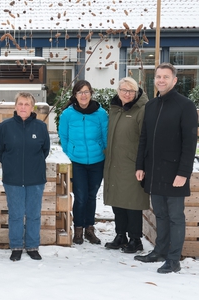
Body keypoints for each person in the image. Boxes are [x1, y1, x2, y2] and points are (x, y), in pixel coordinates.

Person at [134, 63, 197, 274]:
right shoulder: (151, 106)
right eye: (158, 76)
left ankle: (173, 260)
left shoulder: (185, 106)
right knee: (160, 214)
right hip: (153, 171)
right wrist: (140, 165)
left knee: (175, 217)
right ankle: (159, 251)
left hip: (174, 173)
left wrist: (183, 173)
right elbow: (144, 139)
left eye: (166, 77)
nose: (161, 80)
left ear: (174, 80)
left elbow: (190, 143)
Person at [0, 92, 50, 261]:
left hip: (35, 179)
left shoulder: (40, 127)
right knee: (16, 214)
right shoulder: (5, 126)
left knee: (33, 214)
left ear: (32, 107)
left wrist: (33, 165)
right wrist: (10, 164)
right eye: (20, 104)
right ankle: (16, 246)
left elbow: (45, 150)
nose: (23, 107)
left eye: (27, 104)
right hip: (13, 179)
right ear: (15, 106)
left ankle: (32, 246)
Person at [58, 80, 108, 245]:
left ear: (91, 93)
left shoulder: (101, 114)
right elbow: (63, 137)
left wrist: (104, 150)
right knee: (80, 196)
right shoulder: (67, 114)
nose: (84, 95)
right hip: (77, 161)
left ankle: (89, 229)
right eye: (80, 92)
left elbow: (105, 136)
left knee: (91, 196)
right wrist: (69, 153)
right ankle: (78, 229)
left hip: (97, 161)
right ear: (75, 95)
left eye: (86, 92)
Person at [103, 77, 149, 253]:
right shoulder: (115, 109)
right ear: (118, 91)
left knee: (133, 203)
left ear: (136, 93)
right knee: (118, 202)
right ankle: (120, 235)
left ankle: (135, 239)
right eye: (123, 90)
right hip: (115, 162)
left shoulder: (142, 110)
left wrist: (142, 164)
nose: (127, 94)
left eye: (131, 91)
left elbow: (144, 138)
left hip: (132, 164)